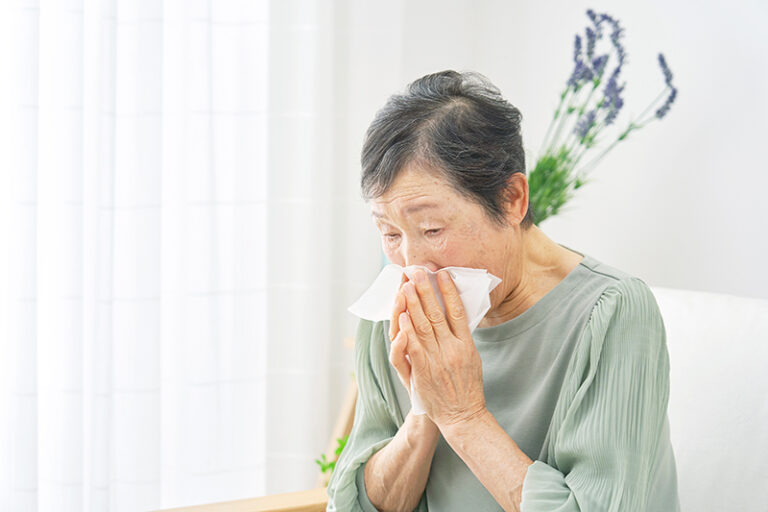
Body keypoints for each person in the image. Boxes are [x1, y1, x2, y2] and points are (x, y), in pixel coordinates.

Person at [326, 70, 680, 512]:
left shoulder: (611, 313)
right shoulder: (392, 310)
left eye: (432, 228)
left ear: (513, 198)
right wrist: (425, 412)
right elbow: (353, 505)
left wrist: (463, 416)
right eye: (390, 233)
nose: (412, 266)